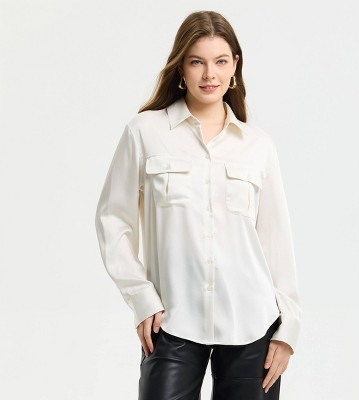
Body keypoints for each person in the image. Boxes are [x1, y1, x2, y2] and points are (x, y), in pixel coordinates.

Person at [95, 10, 301, 400]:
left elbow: (276, 241)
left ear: (234, 66)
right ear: (181, 68)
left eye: (220, 61)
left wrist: (288, 329)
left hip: (253, 323)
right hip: (172, 322)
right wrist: (141, 298)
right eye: (197, 62)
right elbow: (112, 220)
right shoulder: (145, 132)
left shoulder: (257, 145)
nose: (209, 74)